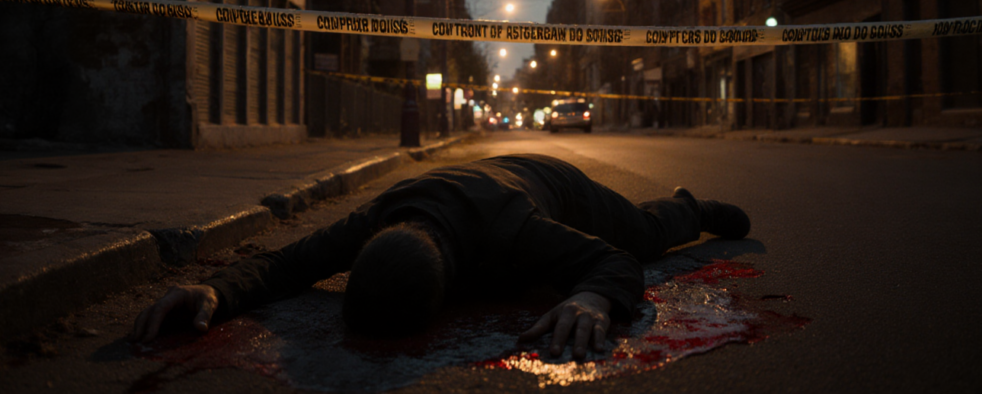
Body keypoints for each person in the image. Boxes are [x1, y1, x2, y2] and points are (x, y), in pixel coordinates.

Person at [130, 154, 750, 358]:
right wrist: (217, 290)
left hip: (548, 184)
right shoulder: (375, 219)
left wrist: (592, 295)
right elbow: (286, 264)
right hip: (468, 181)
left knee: (644, 233)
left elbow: (616, 262)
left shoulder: (512, 231)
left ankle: (690, 207)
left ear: (456, 279)